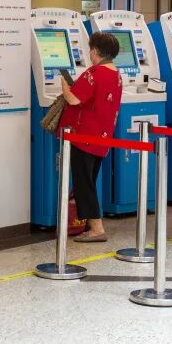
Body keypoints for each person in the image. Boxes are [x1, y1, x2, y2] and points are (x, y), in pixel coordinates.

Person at [55, 33, 123, 243]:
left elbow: (73, 99)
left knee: (84, 183)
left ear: (94, 51)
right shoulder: (116, 74)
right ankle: (87, 225)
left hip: (84, 137)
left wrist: (64, 85)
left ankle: (96, 228)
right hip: (102, 138)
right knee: (89, 180)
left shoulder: (94, 72)